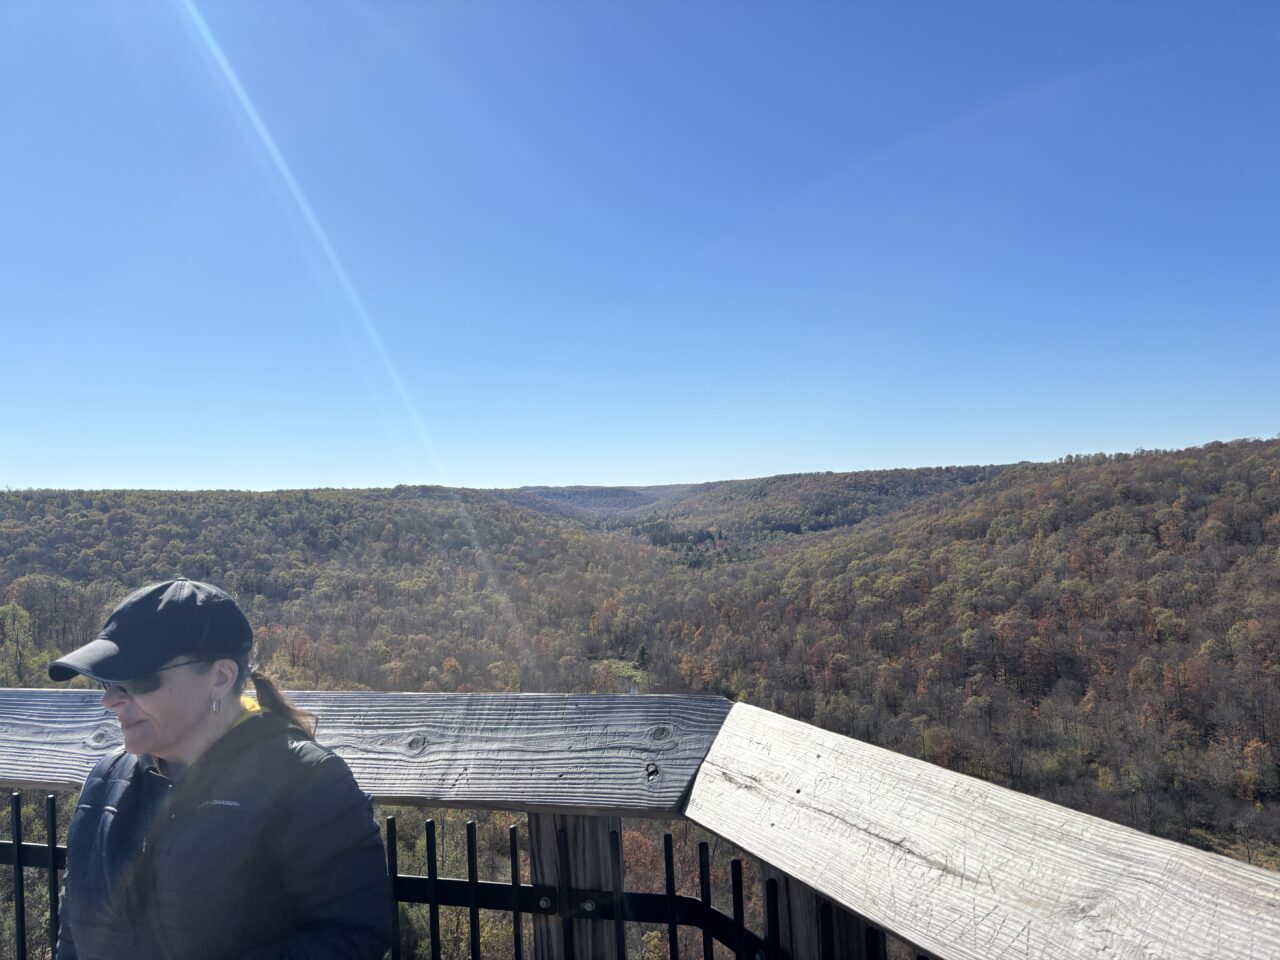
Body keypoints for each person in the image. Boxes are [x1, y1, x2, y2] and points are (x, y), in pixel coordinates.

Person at [47, 578, 393, 960]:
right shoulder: (104, 780)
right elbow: (74, 935)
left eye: (135, 680)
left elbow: (354, 938)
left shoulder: (307, 781)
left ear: (220, 677)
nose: (110, 701)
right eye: (107, 681)